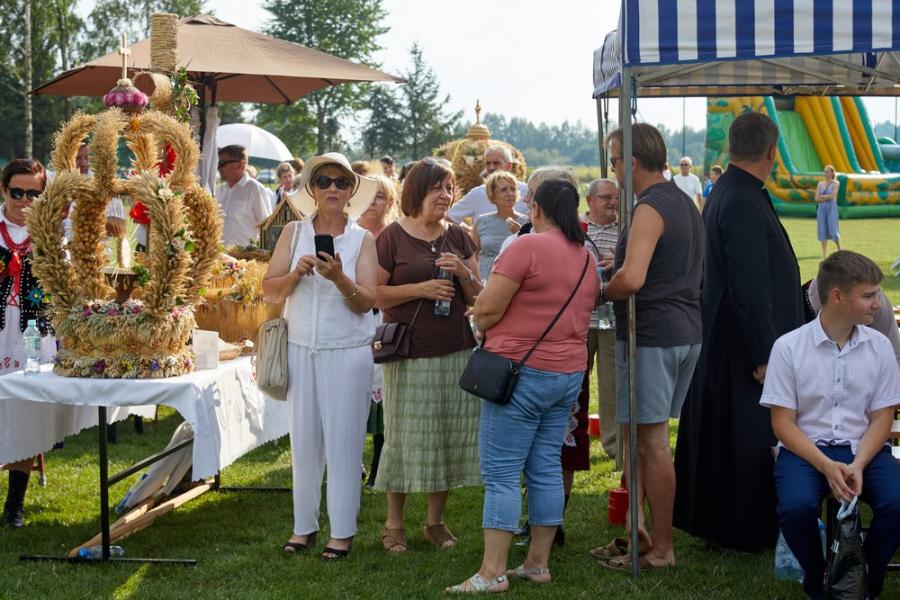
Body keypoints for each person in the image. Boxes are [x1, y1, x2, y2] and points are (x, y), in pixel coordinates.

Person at [446, 178, 599, 593]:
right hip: (568, 373)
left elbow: (488, 309)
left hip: (520, 371)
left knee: (501, 472)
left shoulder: (527, 246)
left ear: (536, 209)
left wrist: (480, 316)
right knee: (546, 465)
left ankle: (492, 572)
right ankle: (536, 564)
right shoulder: (586, 255)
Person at [674, 111, 806, 551]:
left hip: (730, 338)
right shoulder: (742, 199)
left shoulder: (730, 191)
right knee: (745, 436)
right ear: (771, 151)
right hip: (743, 348)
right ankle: (741, 527)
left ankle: (726, 523)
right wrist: (765, 355)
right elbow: (749, 285)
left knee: (728, 436)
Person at [594, 123, 703, 572]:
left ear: (632, 162)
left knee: (653, 442)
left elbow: (633, 278)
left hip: (653, 334)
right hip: (682, 330)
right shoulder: (683, 200)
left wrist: (599, 290)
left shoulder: (650, 206)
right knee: (640, 438)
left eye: (615, 162)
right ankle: (636, 530)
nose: (614, 170)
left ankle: (661, 548)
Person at [760, 250, 900, 600]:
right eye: (869, 296)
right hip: (804, 450)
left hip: (864, 448)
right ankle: (819, 578)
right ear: (837, 296)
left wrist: (858, 464)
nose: (878, 304)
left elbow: (883, 417)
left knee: (897, 502)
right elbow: (782, 424)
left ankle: (865, 577)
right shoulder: (788, 348)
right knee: (795, 508)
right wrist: (826, 465)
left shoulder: (880, 347)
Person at [262, 152, 378, 561]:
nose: (332, 188)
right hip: (300, 349)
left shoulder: (363, 239)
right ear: (311, 188)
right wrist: (296, 274)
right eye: (324, 181)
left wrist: (339, 278)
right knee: (304, 443)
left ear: (351, 191)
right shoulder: (293, 233)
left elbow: (367, 301)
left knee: (344, 444)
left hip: (347, 351)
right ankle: (303, 527)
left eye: (341, 182)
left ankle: (342, 532)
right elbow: (269, 289)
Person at [374, 158, 483, 556]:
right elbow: (376, 294)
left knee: (447, 436)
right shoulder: (391, 237)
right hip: (409, 352)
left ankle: (434, 523)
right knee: (403, 438)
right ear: (417, 191)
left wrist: (465, 274)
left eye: (449, 188)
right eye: (438, 188)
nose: (445, 195)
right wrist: (421, 289)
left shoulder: (459, 236)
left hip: (455, 349)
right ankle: (393, 525)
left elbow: (479, 297)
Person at [0, 159, 57, 528]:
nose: (24, 200)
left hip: (34, 334)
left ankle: (14, 504)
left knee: (26, 412)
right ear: (4, 190)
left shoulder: (50, 235)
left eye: (33, 194)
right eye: (17, 192)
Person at [357, 175, 398, 489]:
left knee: (381, 391)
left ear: (390, 202)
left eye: (380, 196)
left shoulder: (394, 236)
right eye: (369, 195)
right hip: (350, 318)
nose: (373, 202)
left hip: (383, 320)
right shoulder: (349, 232)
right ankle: (351, 460)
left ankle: (379, 464)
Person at [583, 178, 620, 460]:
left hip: (612, 319)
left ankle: (614, 448)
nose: (613, 202)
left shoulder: (625, 230)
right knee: (574, 386)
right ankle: (571, 441)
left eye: (616, 198)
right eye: (606, 197)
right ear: (590, 201)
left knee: (611, 387)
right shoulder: (576, 230)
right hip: (580, 320)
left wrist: (619, 264)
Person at [447, 145, 529, 226]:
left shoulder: (526, 191)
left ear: (509, 166)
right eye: (488, 163)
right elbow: (449, 218)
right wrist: (469, 231)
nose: (491, 167)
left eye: (496, 163)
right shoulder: (477, 193)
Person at [470, 171, 528, 281]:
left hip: (513, 283)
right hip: (484, 282)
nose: (510, 193)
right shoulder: (482, 221)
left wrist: (521, 234)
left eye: (513, 189)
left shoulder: (527, 223)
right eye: (504, 190)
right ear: (492, 196)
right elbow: (473, 256)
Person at [216, 144, 273, 246]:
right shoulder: (220, 190)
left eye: (222, 163)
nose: (218, 168)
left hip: (243, 254)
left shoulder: (255, 189)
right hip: (218, 253)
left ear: (240, 165)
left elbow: (267, 227)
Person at [815, 165, 842, 258]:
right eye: (825, 171)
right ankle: (824, 253)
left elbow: (832, 196)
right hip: (821, 209)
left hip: (831, 209)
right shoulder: (820, 184)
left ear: (832, 173)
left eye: (827, 171)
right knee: (822, 229)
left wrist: (822, 196)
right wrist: (825, 197)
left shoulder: (835, 183)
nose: (825, 173)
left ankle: (839, 248)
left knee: (833, 229)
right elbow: (816, 198)